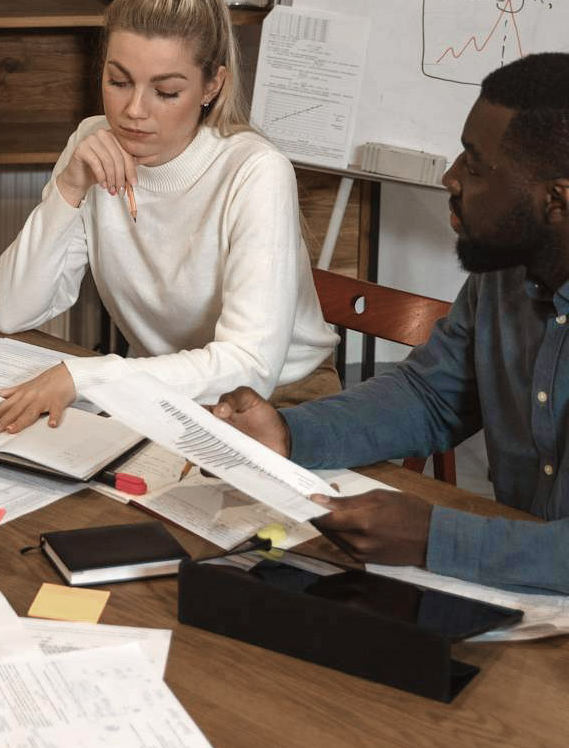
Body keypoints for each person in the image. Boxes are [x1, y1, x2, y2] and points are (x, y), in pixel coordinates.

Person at [212, 52, 569, 594]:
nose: (450, 177)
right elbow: (432, 396)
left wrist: (433, 538)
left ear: (556, 201)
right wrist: (289, 433)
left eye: (474, 164)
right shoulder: (506, 270)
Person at [0, 0, 338, 433]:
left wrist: (88, 376)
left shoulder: (255, 172)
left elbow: (250, 365)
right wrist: (69, 186)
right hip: (162, 391)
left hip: (281, 402)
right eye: (118, 81)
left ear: (213, 85)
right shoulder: (92, 144)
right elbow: (11, 310)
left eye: (165, 92)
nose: (132, 111)